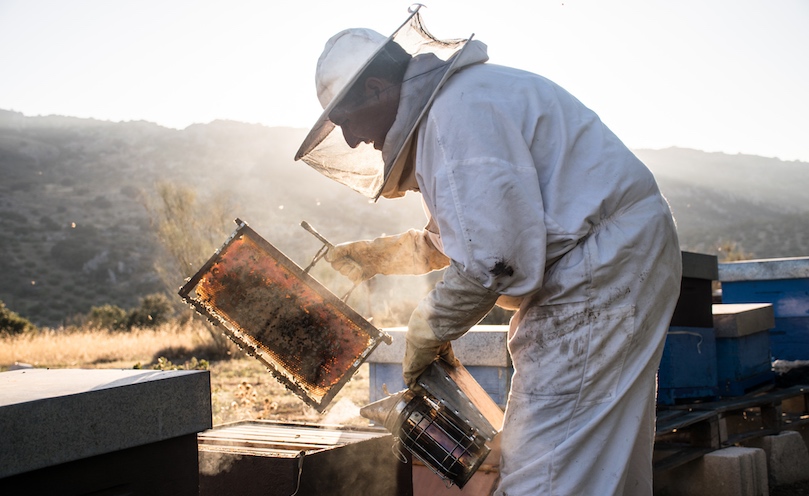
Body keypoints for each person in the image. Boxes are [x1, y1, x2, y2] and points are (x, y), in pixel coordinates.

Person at [295, 7, 682, 495]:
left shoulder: (456, 115)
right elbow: (456, 237)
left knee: (545, 470)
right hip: (610, 261)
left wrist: (428, 328)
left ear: (375, 89)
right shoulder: (458, 107)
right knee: (599, 463)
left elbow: (494, 259)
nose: (352, 139)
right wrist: (373, 258)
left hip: (598, 270)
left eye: (347, 122)